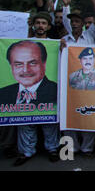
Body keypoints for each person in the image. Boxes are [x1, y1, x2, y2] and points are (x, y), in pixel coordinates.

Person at [60, 0, 95, 158]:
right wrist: (66, 5)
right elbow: (64, 20)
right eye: (73, 22)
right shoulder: (65, 40)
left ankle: (86, 149)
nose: (75, 24)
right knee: (69, 116)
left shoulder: (90, 36)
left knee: (88, 114)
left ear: (83, 24)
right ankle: (70, 149)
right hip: (70, 83)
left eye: (78, 21)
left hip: (88, 82)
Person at [1, 37, 59, 166]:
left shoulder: (55, 90)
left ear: (43, 64)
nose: (25, 70)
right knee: (23, 122)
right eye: (18, 64)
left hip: (49, 109)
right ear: (11, 66)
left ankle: (53, 149)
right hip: (21, 114)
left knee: (50, 123)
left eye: (32, 63)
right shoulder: (3, 93)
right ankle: (26, 152)